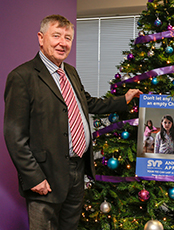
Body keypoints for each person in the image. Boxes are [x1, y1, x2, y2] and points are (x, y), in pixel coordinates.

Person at [3, 14, 142, 230]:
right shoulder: (22, 77)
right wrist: (33, 178)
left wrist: (123, 100)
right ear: (41, 38)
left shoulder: (71, 72)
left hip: (77, 171)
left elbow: (87, 103)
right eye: (56, 35)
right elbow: (14, 135)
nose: (63, 43)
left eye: (68, 38)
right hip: (45, 176)